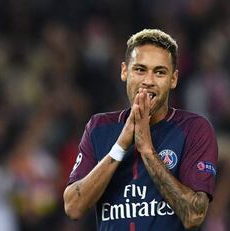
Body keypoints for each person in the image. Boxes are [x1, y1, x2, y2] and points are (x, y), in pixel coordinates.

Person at [63, 28, 218, 230]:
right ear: (124, 71)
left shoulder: (193, 129)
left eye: (160, 72)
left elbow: (194, 215)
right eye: (140, 69)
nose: (148, 81)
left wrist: (147, 149)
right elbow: (73, 207)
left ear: (174, 79)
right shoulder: (99, 128)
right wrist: (120, 145)